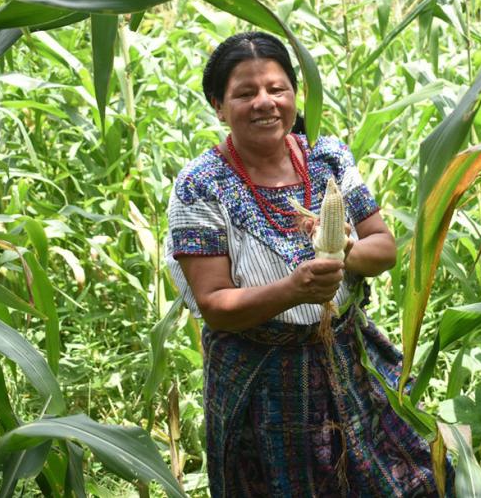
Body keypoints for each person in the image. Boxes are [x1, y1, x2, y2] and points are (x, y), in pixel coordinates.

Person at [166, 31, 452, 497]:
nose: (265, 103)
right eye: (245, 93)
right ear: (219, 106)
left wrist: (340, 250)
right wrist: (294, 289)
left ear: (295, 95)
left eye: (277, 89)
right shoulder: (200, 185)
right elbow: (215, 304)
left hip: (344, 356)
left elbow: (384, 248)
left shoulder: (327, 158)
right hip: (259, 377)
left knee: (413, 480)